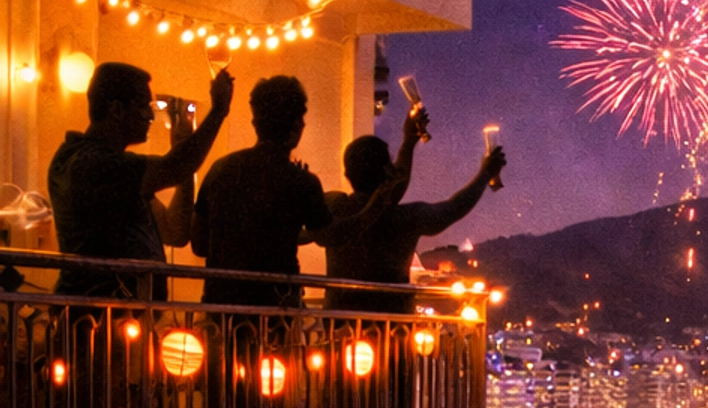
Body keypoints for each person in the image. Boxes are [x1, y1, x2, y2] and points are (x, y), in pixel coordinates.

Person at [191, 76, 396, 308]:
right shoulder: (301, 182)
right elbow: (330, 236)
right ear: (297, 125)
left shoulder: (220, 169)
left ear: (255, 122)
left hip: (220, 304)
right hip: (276, 308)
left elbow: (198, 243)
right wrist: (375, 206)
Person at [48, 61, 232, 297]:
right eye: (144, 107)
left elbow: (174, 231)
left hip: (121, 314)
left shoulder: (104, 165)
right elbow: (173, 167)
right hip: (102, 311)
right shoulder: (94, 164)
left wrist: (183, 162)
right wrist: (217, 112)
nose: (150, 116)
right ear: (116, 110)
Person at [323, 114, 503, 312]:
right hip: (393, 326)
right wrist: (485, 174)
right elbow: (455, 208)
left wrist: (408, 142)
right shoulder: (407, 218)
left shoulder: (335, 206)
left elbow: (392, 192)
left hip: (339, 322)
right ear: (388, 173)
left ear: (347, 173)